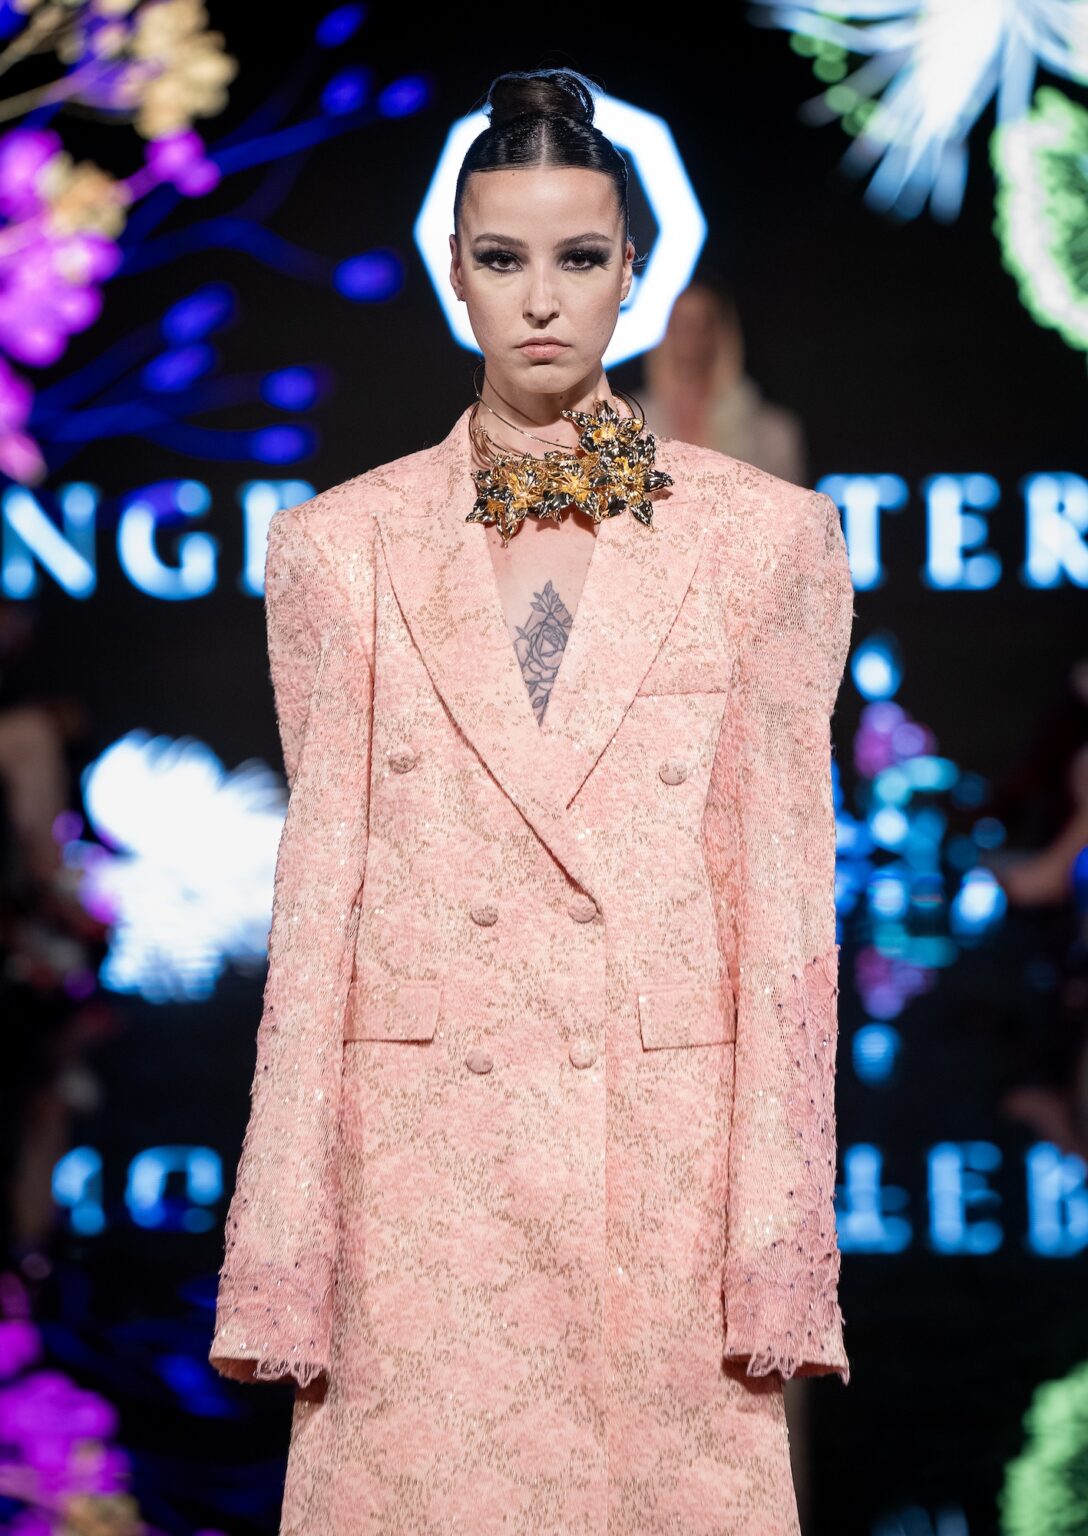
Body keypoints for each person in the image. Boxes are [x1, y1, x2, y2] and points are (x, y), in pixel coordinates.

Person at [208, 65, 855, 1536]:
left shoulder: (766, 545)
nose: (542, 299)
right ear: (455, 273)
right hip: (421, 1185)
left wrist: (777, 1246)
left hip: (663, 1176)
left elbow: (789, 926)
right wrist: (289, 1246)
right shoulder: (337, 550)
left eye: (579, 258)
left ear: (635, 272)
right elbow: (317, 911)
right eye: (504, 258)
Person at [639, 269, 810, 485]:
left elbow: (792, 514)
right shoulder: (631, 423)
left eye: (702, 323)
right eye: (679, 323)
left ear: (721, 333)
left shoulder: (774, 434)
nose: (690, 335)